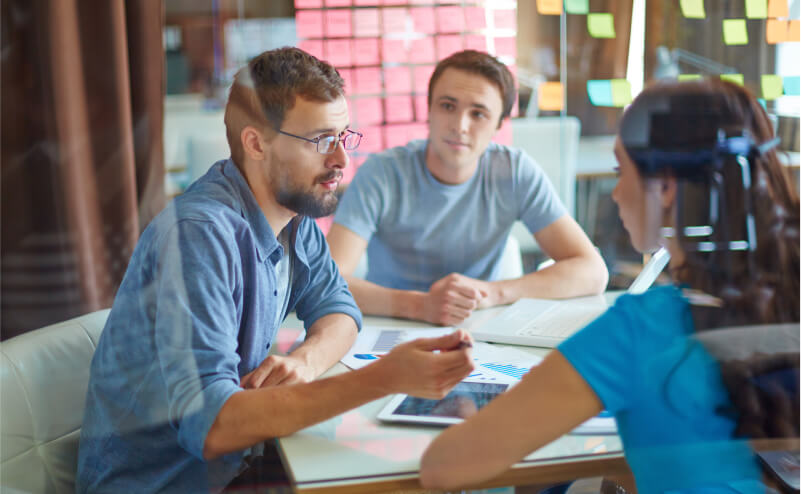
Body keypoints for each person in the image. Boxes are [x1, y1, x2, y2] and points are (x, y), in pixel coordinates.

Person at [76, 47, 474, 493]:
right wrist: (385, 378)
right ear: (256, 143)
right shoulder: (198, 235)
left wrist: (305, 361)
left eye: (345, 136)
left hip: (239, 468)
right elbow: (212, 427)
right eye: (322, 140)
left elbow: (339, 309)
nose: (342, 161)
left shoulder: (291, 214)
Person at [420, 79, 800, 492]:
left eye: (622, 172)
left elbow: (444, 467)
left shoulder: (643, 327)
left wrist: (472, 417)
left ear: (666, 187)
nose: (616, 193)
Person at [326, 50, 608, 326]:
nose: (460, 126)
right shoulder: (382, 173)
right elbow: (327, 282)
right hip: (390, 327)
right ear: (429, 111)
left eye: (478, 114)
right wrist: (420, 306)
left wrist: (493, 293)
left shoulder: (515, 172)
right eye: (448, 106)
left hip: (481, 325)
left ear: (499, 124)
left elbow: (592, 271)